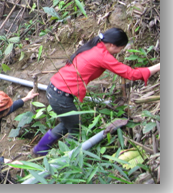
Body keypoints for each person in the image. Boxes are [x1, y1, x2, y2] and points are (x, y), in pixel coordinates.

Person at [33, 28, 161, 155]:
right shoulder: (102, 56)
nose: (118, 52)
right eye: (119, 49)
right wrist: (159, 66)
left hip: (54, 89)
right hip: (62, 95)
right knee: (76, 130)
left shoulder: (94, 46)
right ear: (112, 45)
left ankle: (40, 150)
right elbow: (131, 74)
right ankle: (63, 161)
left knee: (68, 123)